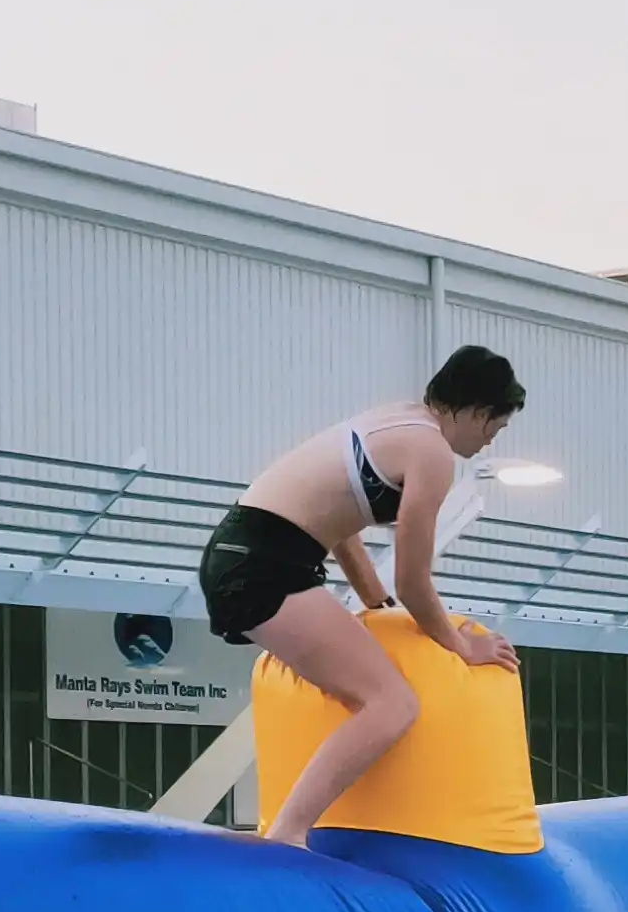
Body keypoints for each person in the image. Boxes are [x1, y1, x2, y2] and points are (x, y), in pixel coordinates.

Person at [199, 346, 528, 844]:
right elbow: (413, 581)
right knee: (393, 703)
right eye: (493, 430)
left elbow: (341, 528)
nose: (487, 444)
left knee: (371, 690)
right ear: (478, 412)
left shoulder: (394, 421)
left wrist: (376, 608)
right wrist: (463, 647)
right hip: (263, 565)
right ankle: (288, 834)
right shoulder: (432, 452)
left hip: (245, 553)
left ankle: (290, 829)